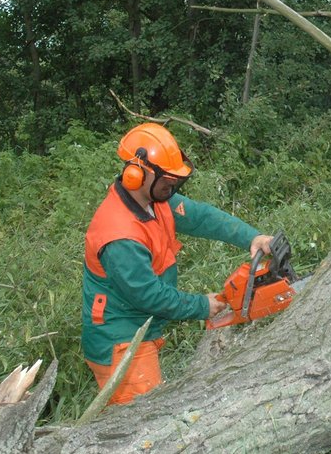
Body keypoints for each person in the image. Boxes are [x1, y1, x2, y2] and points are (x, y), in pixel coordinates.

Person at [81, 122, 273, 405]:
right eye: (167, 181)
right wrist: (201, 306)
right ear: (138, 174)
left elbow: (202, 217)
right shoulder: (119, 235)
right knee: (143, 430)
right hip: (120, 340)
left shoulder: (155, 201)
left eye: (176, 181)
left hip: (139, 329)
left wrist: (251, 238)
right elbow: (150, 296)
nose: (172, 188)